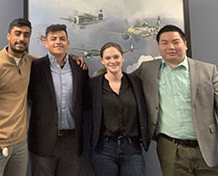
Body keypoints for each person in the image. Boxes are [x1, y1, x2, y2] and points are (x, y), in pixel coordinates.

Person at [133, 24, 218, 175]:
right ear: (159, 47)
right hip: (170, 149)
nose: (170, 47)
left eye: (175, 42)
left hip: (207, 147)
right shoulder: (147, 69)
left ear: (185, 45)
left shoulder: (208, 70)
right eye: (164, 43)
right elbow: (122, 81)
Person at [28, 24, 89, 176]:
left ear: (68, 43)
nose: (58, 42)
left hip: (71, 141)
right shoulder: (35, 67)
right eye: (53, 39)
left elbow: (86, 102)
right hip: (43, 140)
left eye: (62, 38)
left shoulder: (79, 67)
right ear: (46, 43)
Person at [89, 42, 150, 176]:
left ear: (122, 57)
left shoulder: (136, 83)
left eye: (116, 57)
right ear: (102, 61)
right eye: (108, 58)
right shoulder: (93, 85)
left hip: (131, 148)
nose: (113, 61)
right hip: (104, 149)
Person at [0, 18, 34, 176]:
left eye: (26, 35)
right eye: (17, 33)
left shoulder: (29, 61)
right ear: (8, 36)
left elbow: (52, 63)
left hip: (20, 144)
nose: (21, 38)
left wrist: (75, 60)